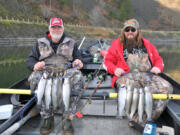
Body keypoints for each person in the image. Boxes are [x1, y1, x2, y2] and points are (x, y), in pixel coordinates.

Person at [104, 19, 173, 125]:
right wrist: (115, 69)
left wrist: (158, 67)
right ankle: (134, 119)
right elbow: (107, 61)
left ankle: (149, 118)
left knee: (166, 88)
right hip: (126, 76)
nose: (130, 32)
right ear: (123, 31)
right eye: (127, 29)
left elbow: (158, 59)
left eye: (133, 29)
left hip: (147, 75)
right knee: (129, 90)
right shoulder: (116, 45)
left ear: (138, 31)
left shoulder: (147, 44)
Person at [26, 17, 83, 135]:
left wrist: (79, 61)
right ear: (49, 28)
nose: (56, 29)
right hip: (46, 73)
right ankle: (47, 117)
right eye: (54, 27)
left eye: (59, 27)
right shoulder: (39, 43)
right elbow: (30, 60)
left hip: (65, 73)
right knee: (34, 76)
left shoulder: (71, 42)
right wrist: (35, 65)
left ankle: (67, 117)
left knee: (77, 75)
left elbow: (79, 57)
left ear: (63, 28)